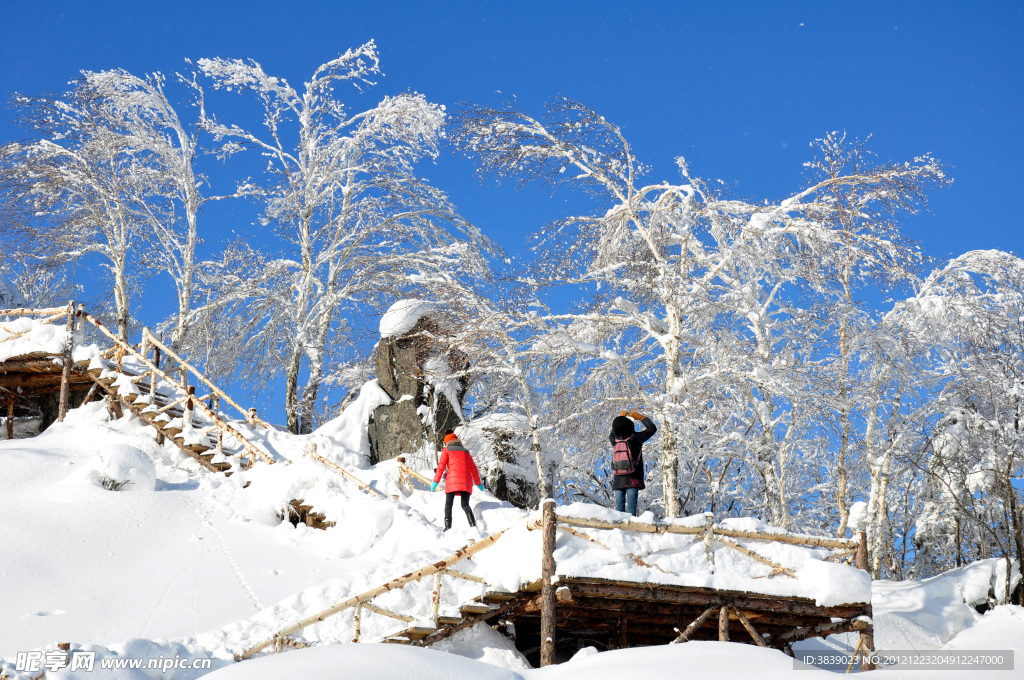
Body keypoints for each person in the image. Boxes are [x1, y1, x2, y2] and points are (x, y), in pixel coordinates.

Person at [431, 430, 484, 531]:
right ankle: (473, 526)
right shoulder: (466, 452)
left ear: (447, 442)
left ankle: (447, 527)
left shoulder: (446, 450)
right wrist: (478, 483)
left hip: (452, 481)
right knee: (465, 505)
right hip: (466, 483)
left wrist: (436, 481)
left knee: (448, 504)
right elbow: (474, 469)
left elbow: (441, 467)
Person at [610, 409, 657, 516]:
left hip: (618, 479)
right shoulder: (636, 438)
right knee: (631, 510)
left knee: (619, 511)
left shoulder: (614, 440)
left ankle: (619, 530)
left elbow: (613, 432)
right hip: (633, 478)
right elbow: (652, 428)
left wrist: (620, 419)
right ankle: (631, 530)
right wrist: (641, 417)